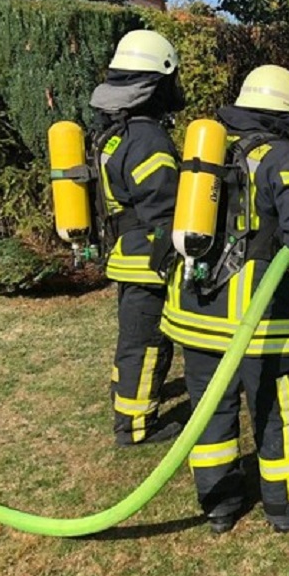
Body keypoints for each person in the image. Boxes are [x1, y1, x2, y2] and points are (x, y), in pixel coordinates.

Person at [161, 64, 289, 534]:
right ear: (288, 114)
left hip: (194, 310)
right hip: (254, 321)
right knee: (275, 411)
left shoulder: (210, 151)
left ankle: (219, 505)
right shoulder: (284, 158)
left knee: (209, 411)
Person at [89, 29, 185, 446]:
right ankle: (135, 427)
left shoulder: (115, 130)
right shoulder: (147, 138)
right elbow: (163, 206)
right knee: (147, 343)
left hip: (127, 254)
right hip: (148, 258)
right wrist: (180, 250)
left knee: (132, 339)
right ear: (156, 84)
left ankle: (125, 394)